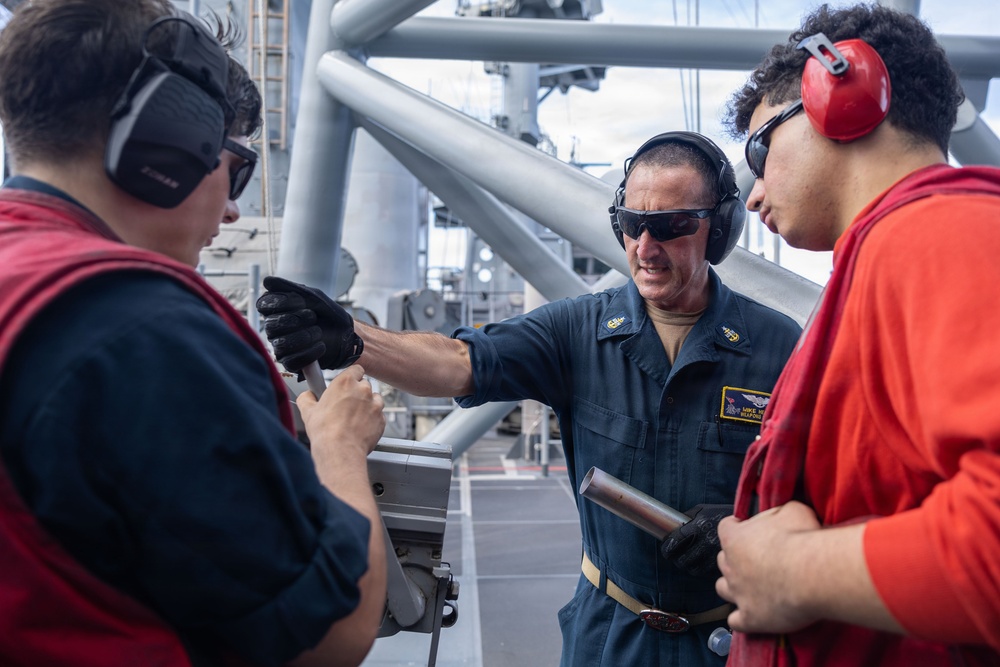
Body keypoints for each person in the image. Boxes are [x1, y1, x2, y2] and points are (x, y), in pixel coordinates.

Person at [257, 131, 802, 666]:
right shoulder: (578, 331)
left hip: (732, 639)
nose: (646, 248)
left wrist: (744, 518)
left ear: (720, 229)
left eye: (671, 227)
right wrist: (352, 340)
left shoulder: (780, 346)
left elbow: (823, 487)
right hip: (608, 640)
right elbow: (460, 362)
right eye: (633, 226)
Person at [0, 2, 387, 666]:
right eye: (234, 167)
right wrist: (339, 443)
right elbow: (332, 634)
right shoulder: (141, 327)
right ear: (170, 143)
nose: (234, 207)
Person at [715, 4, 1000, 666]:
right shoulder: (889, 258)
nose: (751, 195)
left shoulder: (934, 236)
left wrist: (792, 569)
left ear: (838, 93)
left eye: (761, 148)